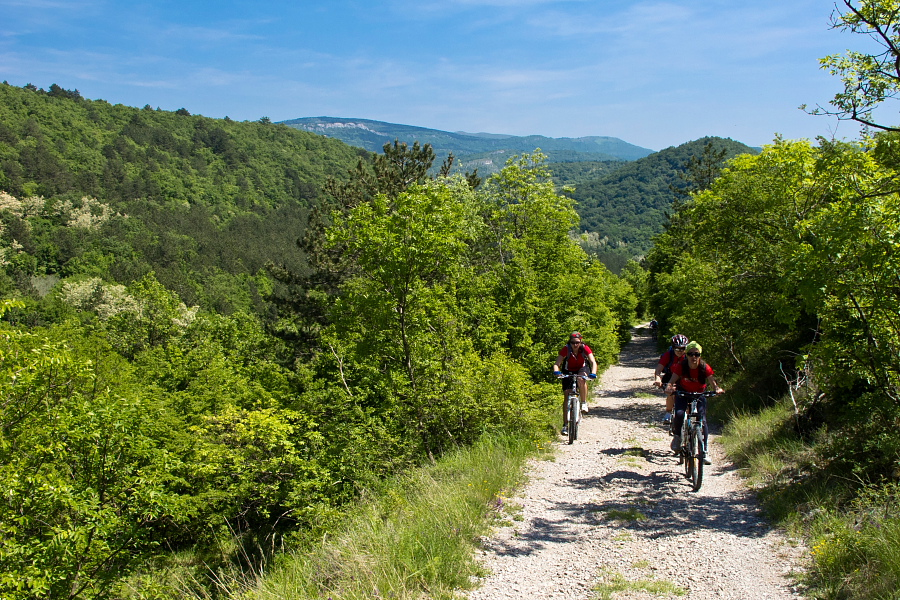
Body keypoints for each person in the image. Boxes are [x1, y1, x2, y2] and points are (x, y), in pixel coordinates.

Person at [665, 340, 724, 465]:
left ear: (700, 355)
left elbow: (713, 383)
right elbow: (672, 381)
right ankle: (677, 437)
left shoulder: (704, 367)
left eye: (696, 354)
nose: (693, 357)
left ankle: (704, 451)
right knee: (680, 414)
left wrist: (717, 390)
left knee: (702, 420)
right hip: (683, 393)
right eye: (691, 354)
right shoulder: (682, 366)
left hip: (699, 394)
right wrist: (669, 387)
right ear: (686, 355)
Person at [552, 332, 597, 435]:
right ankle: (565, 425)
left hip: (582, 368)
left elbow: (593, 362)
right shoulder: (566, 349)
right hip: (568, 370)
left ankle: (584, 402)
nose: (575, 345)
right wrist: (556, 371)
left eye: (577, 342)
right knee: (567, 395)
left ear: (580, 342)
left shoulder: (585, 348)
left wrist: (593, 373)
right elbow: (557, 363)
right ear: (570, 342)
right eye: (572, 342)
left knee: (581, 379)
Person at [653, 334, 688, 424]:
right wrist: (658, 379)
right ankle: (668, 413)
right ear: (673, 348)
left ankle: (689, 417)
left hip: (685, 377)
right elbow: (658, 370)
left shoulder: (689, 356)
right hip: (670, 376)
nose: (680, 351)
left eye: (683, 348)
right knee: (670, 392)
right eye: (677, 348)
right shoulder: (668, 355)